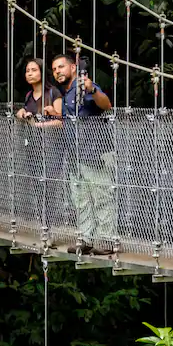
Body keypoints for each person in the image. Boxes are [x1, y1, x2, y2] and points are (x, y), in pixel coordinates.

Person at [47, 53, 116, 250]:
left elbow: (106, 105)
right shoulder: (67, 92)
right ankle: (86, 240)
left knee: (101, 198)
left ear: (73, 68)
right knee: (82, 201)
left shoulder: (83, 85)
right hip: (77, 155)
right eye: (54, 69)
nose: (57, 71)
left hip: (96, 153)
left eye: (61, 67)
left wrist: (92, 89)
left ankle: (106, 241)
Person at [15, 58, 62, 233]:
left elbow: (61, 121)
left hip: (51, 148)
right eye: (28, 70)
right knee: (37, 185)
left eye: (34, 70)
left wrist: (39, 125)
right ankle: (43, 225)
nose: (30, 73)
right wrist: (21, 113)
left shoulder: (53, 93)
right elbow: (29, 116)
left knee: (49, 187)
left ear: (42, 72)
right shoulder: (29, 96)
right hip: (33, 147)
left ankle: (48, 228)